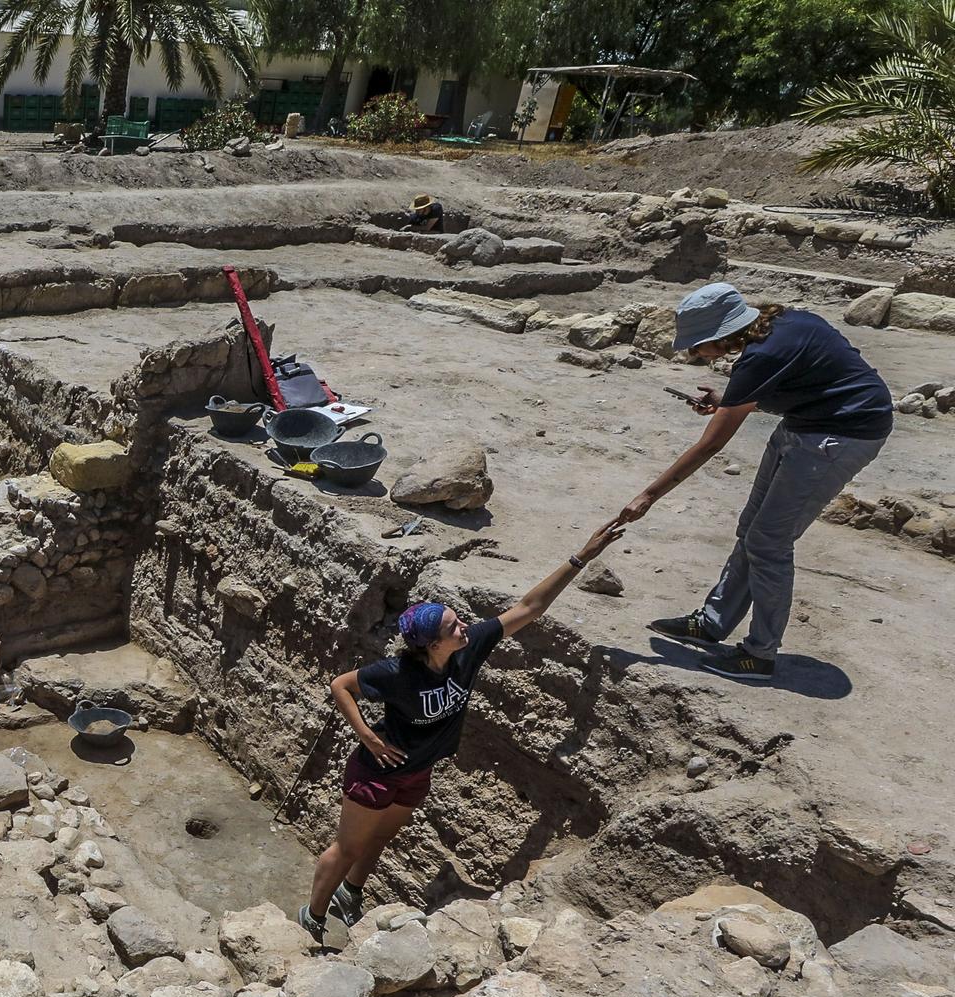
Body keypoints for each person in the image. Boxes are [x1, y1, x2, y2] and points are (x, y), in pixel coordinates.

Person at [301, 524, 626, 942]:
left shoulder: (468, 649)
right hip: (376, 773)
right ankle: (312, 916)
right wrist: (366, 735)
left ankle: (351, 894)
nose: (464, 628)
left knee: (382, 836)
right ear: (432, 644)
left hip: (417, 770)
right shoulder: (397, 673)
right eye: (454, 627)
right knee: (347, 848)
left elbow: (530, 607)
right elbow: (341, 685)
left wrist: (581, 557)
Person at [616, 282, 893, 683]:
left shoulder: (761, 356)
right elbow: (803, 378)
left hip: (843, 435)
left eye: (697, 346)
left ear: (719, 336)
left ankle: (760, 655)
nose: (695, 354)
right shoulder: (783, 323)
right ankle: (712, 622)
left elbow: (711, 444)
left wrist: (648, 496)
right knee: (751, 529)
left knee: (769, 542)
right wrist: (728, 401)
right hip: (807, 423)